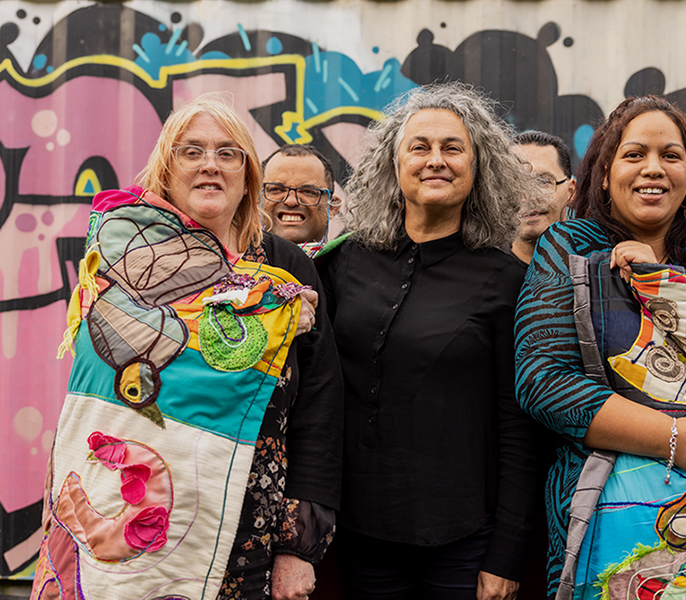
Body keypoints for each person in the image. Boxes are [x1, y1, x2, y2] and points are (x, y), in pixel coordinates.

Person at [31, 94, 342, 600]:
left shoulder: (286, 270)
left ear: (247, 178)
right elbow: (93, 396)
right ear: (166, 169)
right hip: (118, 517)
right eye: (190, 151)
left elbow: (320, 409)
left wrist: (297, 546)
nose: (210, 166)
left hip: (245, 537)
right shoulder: (118, 258)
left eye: (228, 153)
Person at [514, 96, 686, 598]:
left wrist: (666, 283)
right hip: (601, 513)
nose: (652, 169)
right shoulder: (570, 246)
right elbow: (541, 381)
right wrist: (674, 437)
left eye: (671, 155)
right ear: (605, 171)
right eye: (634, 154)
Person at [318, 82, 540, 600]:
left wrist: (506, 552)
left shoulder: (508, 279)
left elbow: (518, 427)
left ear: (478, 167)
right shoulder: (342, 263)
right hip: (358, 533)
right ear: (392, 166)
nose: (435, 160)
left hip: (462, 539)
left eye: (452, 147)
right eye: (419, 147)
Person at [511, 131, 576, 264]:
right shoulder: (484, 273)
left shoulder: (597, 267)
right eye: (516, 183)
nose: (528, 196)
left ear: (571, 191)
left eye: (543, 182)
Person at [262, 144, 341, 250]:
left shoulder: (354, 265)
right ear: (257, 201)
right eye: (276, 190)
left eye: (308, 192)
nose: (291, 201)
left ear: (332, 207)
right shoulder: (235, 265)